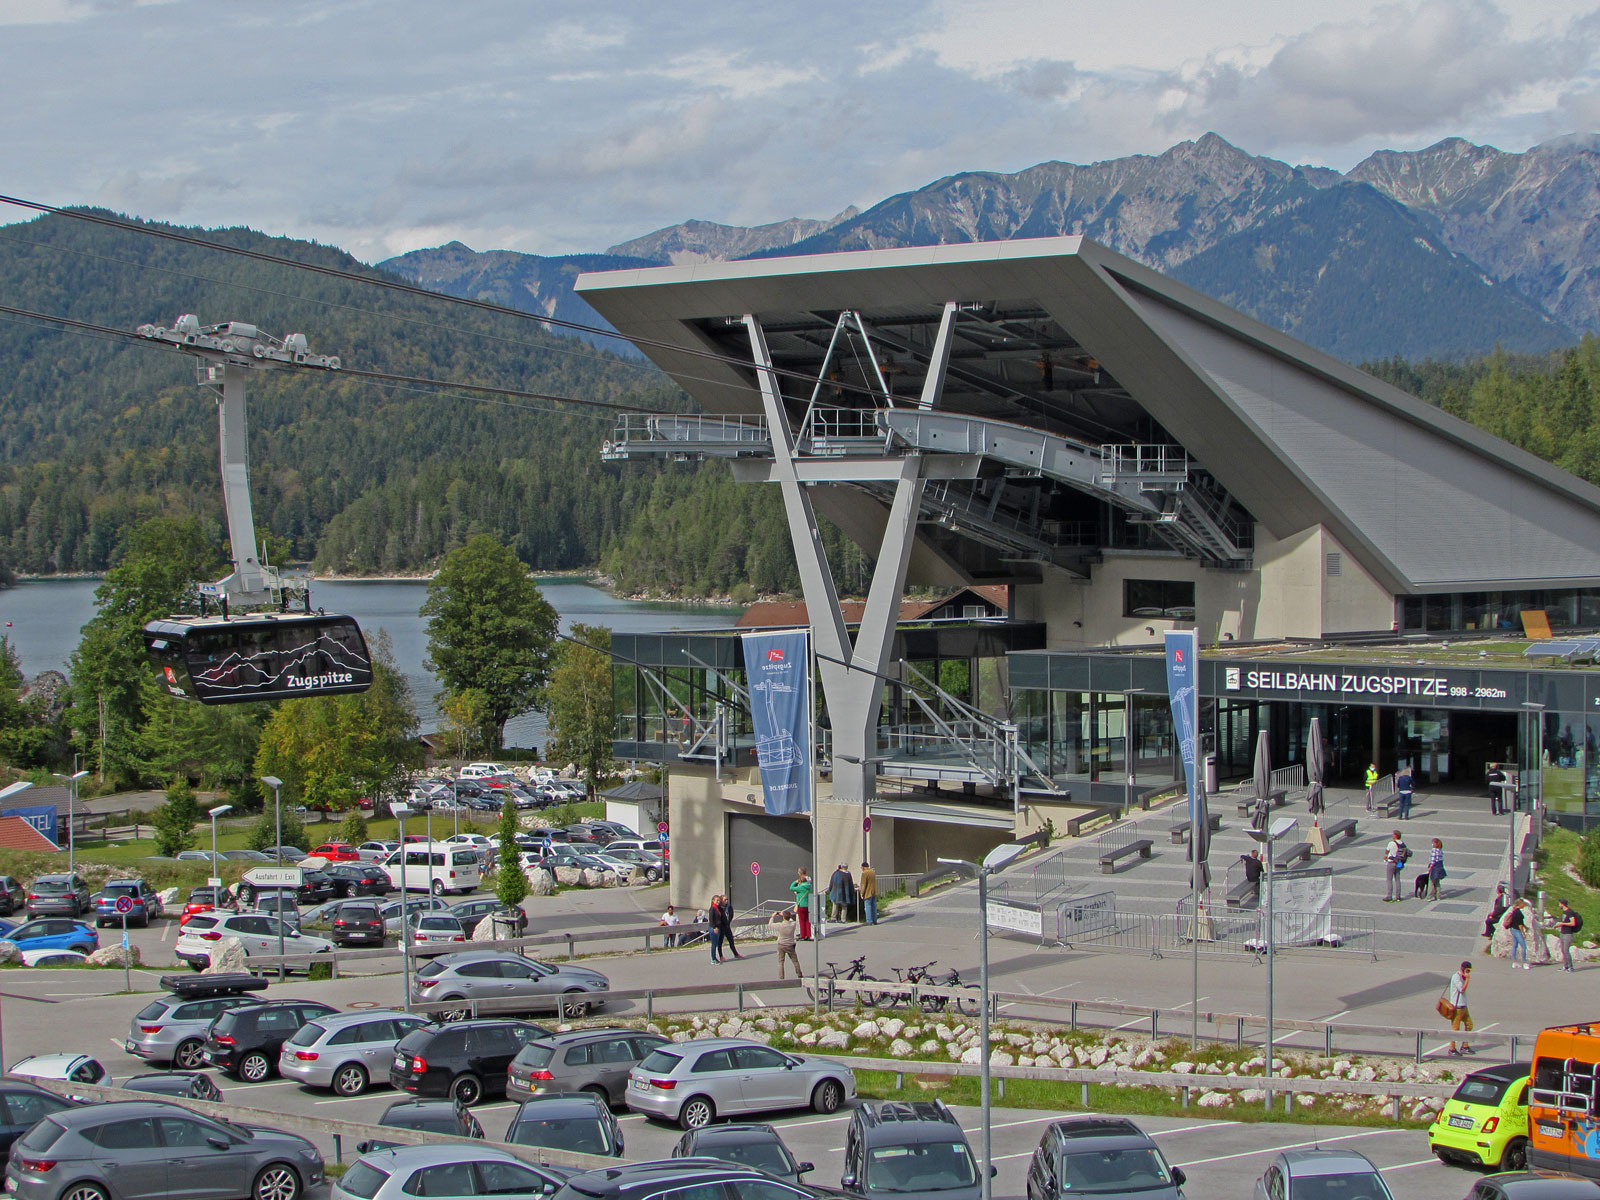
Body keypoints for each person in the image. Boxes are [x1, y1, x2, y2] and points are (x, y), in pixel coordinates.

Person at [1443, 961, 1474, 1055]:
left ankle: (1465, 1046)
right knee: (1455, 1029)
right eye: (1468, 970)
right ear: (1464, 969)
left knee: (1469, 1025)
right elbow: (1462, 990)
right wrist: (1467, 979)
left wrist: (1465, 978)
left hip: (1464, 1006)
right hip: (1457, 1007)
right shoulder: (1456, 977)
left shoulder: (1462, 977)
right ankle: (1452, 1049)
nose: (1469, 972)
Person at [770, 907, 802, 979]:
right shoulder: (793, 925)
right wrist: (786, 915)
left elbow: (770, 924)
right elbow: (792, 920)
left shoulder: (780, 925)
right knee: (795, 961)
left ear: (783, 917)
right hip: (790, 945)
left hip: (781, 944)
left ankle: (781, 976)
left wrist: (772, 917)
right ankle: (799, 974)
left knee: (781, 962)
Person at [1504, 897, 1530, 969]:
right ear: (1520, 904)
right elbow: (1520, 924)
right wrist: (1523, 933)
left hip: (1513, 929)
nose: (1524, 905)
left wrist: (1525, 927)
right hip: (1517, 930)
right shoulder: (1519, 913)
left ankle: (1514, 962)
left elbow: (1518, 922)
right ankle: (1524, 963)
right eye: (1523, 903)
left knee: (1515, 946)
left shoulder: (1514, 911)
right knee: (1524, 946)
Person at [1558, 899, 1583, 973]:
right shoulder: (1564, 912)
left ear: (1563, 904)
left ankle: (1570, 967)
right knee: (1563, 950)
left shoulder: (1570, 912)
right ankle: (1565, 966)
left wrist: (1562, 924)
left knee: (1566, 950)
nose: (1559, 905)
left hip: (1568, 934)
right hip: (1563, 933)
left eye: (1559, 903)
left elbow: (1573, 923)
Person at [1482, 884, 1508, 954]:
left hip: (1499, 916)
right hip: (1498, 914)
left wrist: (1493, 915)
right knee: (1488, 918)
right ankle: (1488, 932)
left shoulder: (1501, 899)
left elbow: (1499, 909)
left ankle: (1493, 933)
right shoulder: (1502, 897)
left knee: (1488, 921)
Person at [1383, 830, 1408, 902]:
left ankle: (1389, 896)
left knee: (1389, 880)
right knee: (1397, 879)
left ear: (1396, 835)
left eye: (1393, 834)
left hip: (1391, 863)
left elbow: (1386, 852)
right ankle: (1398, 896)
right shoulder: (1403, 843)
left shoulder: (1391, 843)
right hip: (1399, 863)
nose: (1392, 835)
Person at [790, 868, 813, 940]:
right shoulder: (809, 886)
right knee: (808, 921)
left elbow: (791, 888)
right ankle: (808, 935)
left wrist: (795, 882)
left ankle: (803, 935)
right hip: (808, 905)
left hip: (801, 905)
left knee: (802, 921)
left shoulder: (800, 887)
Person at [719, 894, 743, 959]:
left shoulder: (729, 906)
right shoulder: (719, 908)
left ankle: (736, 954)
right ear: (721, 901)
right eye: (725, 900)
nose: (726, 901)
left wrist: (728, 921)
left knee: (731, 940)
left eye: (727, 899)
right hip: (721, 926)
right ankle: (721, 956)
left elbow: (731, 914)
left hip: (727, 926)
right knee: (720, 942)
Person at [707, 895, 727, 964]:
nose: (718, 902)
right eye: (717, 900)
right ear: (713, 901)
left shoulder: (717, 908)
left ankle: (715, 958)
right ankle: (713, 959)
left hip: (718, 927)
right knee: (714, 944)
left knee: (716, 943)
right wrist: (714, 927)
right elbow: (711, 919)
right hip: (714, 928)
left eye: (719, 900)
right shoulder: (712, 908)